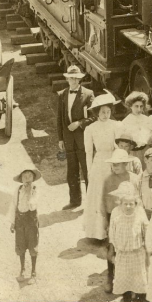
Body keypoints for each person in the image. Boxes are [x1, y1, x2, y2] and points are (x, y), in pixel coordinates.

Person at [56, 66, 95, 210]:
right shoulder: (62, 94)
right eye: (71, 77)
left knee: (87, 170)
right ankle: (75, 201)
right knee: (71, 171)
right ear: (66, 78)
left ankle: (91, 202)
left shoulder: (88, 94)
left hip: (83, 139)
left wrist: (79, 123)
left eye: (76, 78)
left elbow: (94, 117)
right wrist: (60, 138)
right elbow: (59, 118)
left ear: (80, 79)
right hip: (68, 139)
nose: (73, 80)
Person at [83, 92, 120, 240]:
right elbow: (88, 152)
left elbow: (119, 146)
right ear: (97, 112)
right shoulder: (90, 128)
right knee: (98, 194)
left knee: (113, 194)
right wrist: (89, 170)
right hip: (99, 163)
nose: (106, 114)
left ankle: (114, 232)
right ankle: (99, 233)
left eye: (108, 111)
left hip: (113, 161)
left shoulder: (116, 125)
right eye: (103, 112)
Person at [109, 180, 150, 302]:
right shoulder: (115, 213)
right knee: (124, 280)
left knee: (139, 281)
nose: (128, 206)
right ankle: (126, 298)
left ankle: (140, 298)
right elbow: (112, 232)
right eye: (125, 203)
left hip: (137, 253)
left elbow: (146, 231)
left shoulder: (140, 212)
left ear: (135, 202)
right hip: (122, 253)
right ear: (120, 202)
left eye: (131, 203)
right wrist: (113, 250)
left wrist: (148, 252)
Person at [11, 168, 41, 284]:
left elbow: (33, 206)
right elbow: (13, 206)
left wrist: (29, 194)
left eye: (30, 176)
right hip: (20, 221)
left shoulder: (35, 190)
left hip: (31, 221)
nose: (27, 179)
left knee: (32, 245)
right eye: (24, 176)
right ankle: (22, 270)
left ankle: (33, 272)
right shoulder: (18, 190)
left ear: (33, 178)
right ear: (21, 179)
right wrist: (13, 222)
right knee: (21, 245)